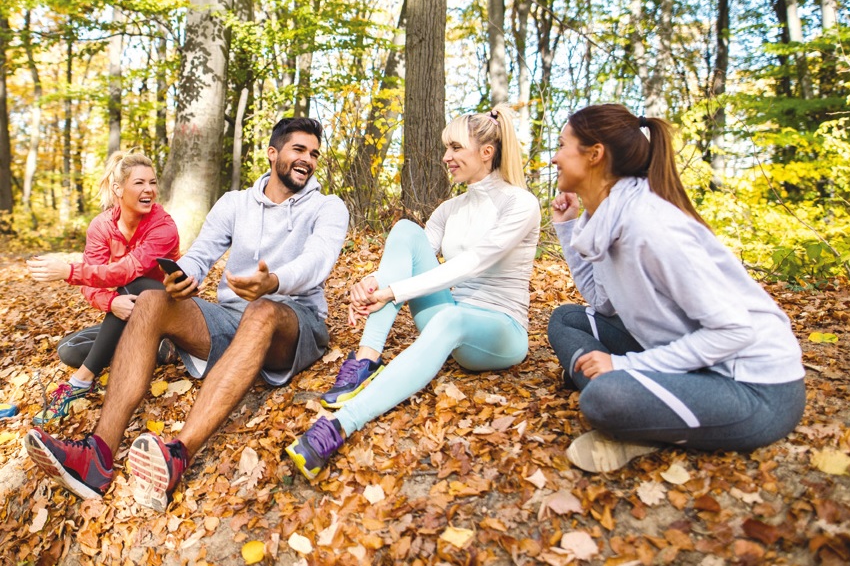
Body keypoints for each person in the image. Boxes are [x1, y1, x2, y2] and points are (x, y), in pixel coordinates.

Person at [25, 118, 350, 510]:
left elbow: (319, 261)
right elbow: (199, 253)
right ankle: (97, 456)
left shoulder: (328, 207)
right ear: (273, 153)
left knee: (263, 311)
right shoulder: (235, 203)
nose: (308, 160)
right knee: (152, 299)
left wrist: (275, 281)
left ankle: (179, 453)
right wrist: (184, 278)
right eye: (299, 150)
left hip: (295, 321)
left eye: (314, 153)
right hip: (231, 319)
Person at [285, 105, 541, 480]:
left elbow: (471, 263)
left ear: (487, 152)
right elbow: (406, 256)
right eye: (445, 148)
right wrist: (371, 284)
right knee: (406, 229)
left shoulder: (521, 203)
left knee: (451, 317)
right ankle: (366, 362)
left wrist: (392, 292)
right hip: (450, 316)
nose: (446, 157)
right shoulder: (451, 208)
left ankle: (339, 427)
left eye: (455, 148)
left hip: (501, 331)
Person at [547, 104, 805, 473]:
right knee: (567, 318)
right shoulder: (607, 216)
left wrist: (623, 365)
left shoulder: (651, 227)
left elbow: (734, 330)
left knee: (604, 398)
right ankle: (651, 409)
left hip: (755, 388)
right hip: (690, 364)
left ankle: (638, 416)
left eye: (562, 145)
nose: (555, 157)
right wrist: (568, 228)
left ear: (594, 154)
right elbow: (602, 304)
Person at [26, 151, 180, 424]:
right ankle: (157, 349)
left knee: (132, 283)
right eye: (140, 183)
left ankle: (81, 381)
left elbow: (125, 271)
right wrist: (110, 304)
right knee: (68, 349)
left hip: (170, 309)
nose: (149, 190)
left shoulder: (163, 226)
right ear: (118, 189)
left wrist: (68, 270)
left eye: (152, 182)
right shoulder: (101, 226)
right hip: (133, 314)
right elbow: (90, 286)